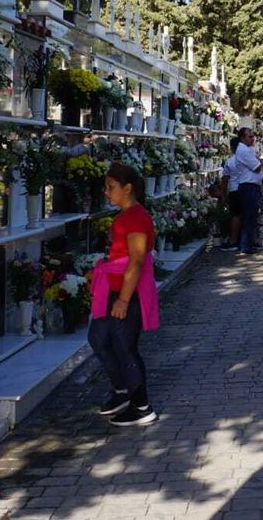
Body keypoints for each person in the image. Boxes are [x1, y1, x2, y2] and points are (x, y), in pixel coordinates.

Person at [89, 163, 161, 426]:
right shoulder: (124, 217)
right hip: (114, 287)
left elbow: (137, 260)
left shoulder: (136, 218)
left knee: (124, 345)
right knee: (99, 338)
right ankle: (122, 392)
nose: (107, 193)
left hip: (127, 291)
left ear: (127, 189)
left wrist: (123, 299)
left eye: (111, 188)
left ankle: (142, 406)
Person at [229, 128, 263, 255]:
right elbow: (257, 167)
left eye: (253, 136)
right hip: (248, 186)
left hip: (251, 186)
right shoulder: (244, 150)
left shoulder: (246, 149)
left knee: (251, 216)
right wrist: (260, 161)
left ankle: (248, 243)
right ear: (243, 138)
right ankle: (245, 245)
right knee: (249, 217)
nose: (253, 138)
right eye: (250, 136)